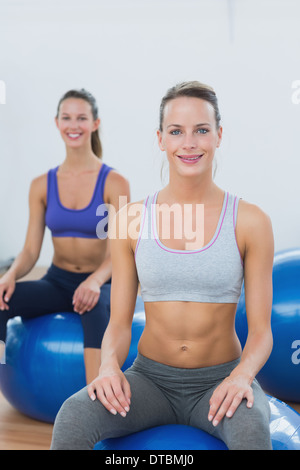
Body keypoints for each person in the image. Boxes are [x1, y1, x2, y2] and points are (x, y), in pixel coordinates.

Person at [50, 81, 274, 450]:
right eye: (176, 131)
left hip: (220, 382)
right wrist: (108, 366)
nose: (189, 143)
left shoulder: (250, 221)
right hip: (149, 381)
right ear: (160, 139)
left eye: (201, 130)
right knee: (73, 415)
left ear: (218, 135)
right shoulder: (129, 220)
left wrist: (242, 377)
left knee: (251, 432)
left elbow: (262, 333)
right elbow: (119, 324)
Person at [0, 89, 130, 383]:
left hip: (103, 282)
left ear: (95, 123)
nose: (74, 125)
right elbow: (31, 251)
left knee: (93, 307)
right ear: (57, 123)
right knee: (0, 301)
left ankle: (95, 403)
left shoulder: (115, 182)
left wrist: (95, 281)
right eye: (67, 118)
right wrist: (9, 276)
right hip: (57, 281)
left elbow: (123, 250)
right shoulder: (40, 185)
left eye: (82, 118)